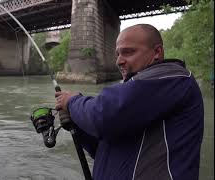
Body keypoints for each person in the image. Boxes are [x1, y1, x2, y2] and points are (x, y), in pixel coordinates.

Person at [55, 24, 204, 180]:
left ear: (157, 53)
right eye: (117, 54)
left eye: (128, 52)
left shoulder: (173, 78)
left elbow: (104, 115)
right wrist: (77, 126)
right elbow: (106, 149)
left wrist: (72, 101)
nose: (119, 61)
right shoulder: (139, 96)